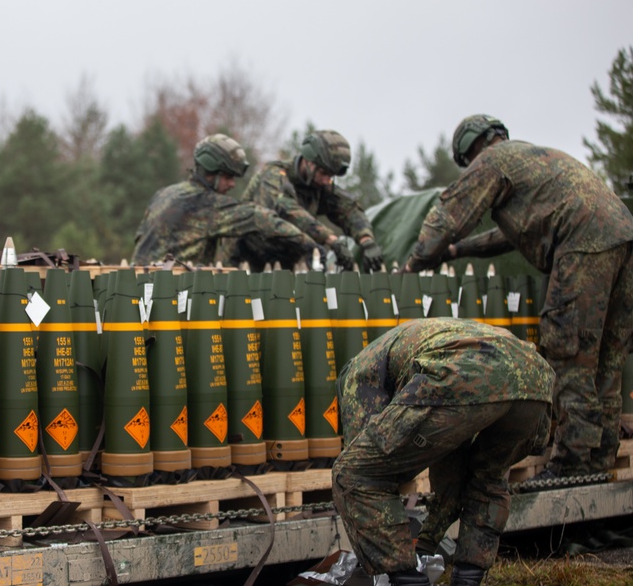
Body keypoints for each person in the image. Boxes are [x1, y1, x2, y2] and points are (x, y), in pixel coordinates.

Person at [404, 114, 633, 481]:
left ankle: (572, 468)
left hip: (583, 243)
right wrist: (456, 251)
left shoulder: (492, 161)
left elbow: (447, 216)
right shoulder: (531, 162)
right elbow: (503, 236)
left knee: (569, 353)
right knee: (606, 359)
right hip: (623, 237)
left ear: (471, 150)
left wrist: (416, 260)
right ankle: (599, 464)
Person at [332, 318, 554, 586]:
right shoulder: (417, 345)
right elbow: (451, 472)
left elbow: (370, 471)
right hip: (534, 378)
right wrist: (425, 543)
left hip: (461, 374)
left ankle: (407, 580)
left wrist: (386, 547)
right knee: (487, 477)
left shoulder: (358, 372)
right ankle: (467, 579)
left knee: (353, 473)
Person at [131, 133, 317, 266]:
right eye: (228, 177)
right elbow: (259, 218)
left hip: (137, 290)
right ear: (211, 174)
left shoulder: (163, 194)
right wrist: (309, 244)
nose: (232, 185)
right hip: (172, 296)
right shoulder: (208, 204)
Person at [236, 130, 384, 271]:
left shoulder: (318, 184)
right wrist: (331, 240)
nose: (327, 180)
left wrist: (366, 241)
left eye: (331, 176)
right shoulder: (273, 175)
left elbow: (348, 209)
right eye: (324, 173)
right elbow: (287, 210)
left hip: (284, 266)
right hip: (246, 263)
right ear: (308, 161)